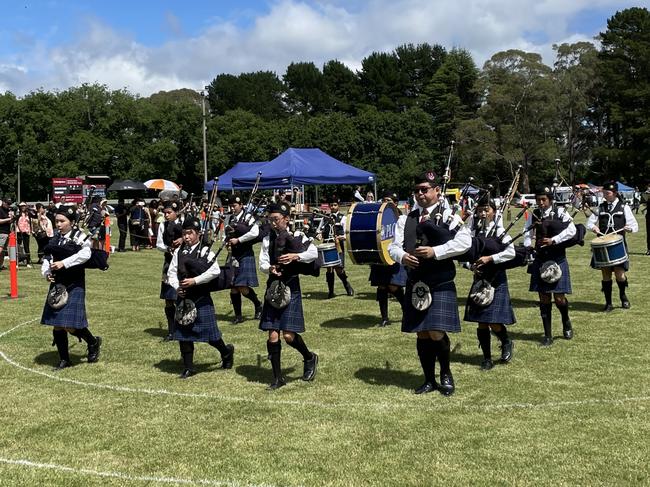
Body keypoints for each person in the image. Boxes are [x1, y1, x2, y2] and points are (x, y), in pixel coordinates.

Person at [388, 171, 472, 396]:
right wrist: (402, 257)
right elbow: (393, 246)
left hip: (440, 280)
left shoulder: (448, 216)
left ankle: (445, 373)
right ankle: (428, 379)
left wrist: (436, 251)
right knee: (422, 333)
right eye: (417, 190)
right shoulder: (406, 218)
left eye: (425, 189)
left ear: (436, 191)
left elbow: (465, 242)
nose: (420, 194)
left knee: (435, 331)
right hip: (415, 281)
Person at [258, 202, 319, 390]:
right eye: (271, 220)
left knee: (289, 336)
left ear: (286, 219)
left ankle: (309, 358)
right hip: (273, 285)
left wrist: (295, 256)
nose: (273, 223)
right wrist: (270, 268)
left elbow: (313, 252)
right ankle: (278, 378)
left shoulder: (297, 235)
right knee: (273, 335)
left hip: (291, 286)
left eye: (276, 220)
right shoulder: (268, 239)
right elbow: (262, 263)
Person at [167, 216, 234, 379]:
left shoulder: (205, 250)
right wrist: (177, 287)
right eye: (184, 234)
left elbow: (215, 271)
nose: (187, 237)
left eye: (190, 233)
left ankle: (226, 352)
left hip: (200, 296)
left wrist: (195, 281)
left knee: (211, 334)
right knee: (183, 333)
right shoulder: (178, 251)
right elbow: (171, 273)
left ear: (198, 233)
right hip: (184, 296)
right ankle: (189, 367)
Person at [40, 205, 102, 370]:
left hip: (74, 283)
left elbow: (85, 254)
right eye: (57, 221)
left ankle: (93, 342)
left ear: (72, 222)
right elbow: (47, 257)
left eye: (62, 221)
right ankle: (65, 360)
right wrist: (47, 273)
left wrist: (64, 263)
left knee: (70, 325)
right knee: (58, 325)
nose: (58, 224)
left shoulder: (80, 236)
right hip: (57, 283)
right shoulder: (54, 238)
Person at [462, 195, 516, 370]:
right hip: (479, 278)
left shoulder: (500, 230)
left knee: (493, 321)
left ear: (494, 212)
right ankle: (486, 358)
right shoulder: (473, 231)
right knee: (482, 321)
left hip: (496, 278)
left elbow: (511, 252)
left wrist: (490, 258)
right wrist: (471, 266)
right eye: (480, 210)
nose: (483, 213)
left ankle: (506, 341)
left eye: (487, 210)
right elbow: (463, 253)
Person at [523, 186, 576, 346]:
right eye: (538, 200)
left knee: (559, 298)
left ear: (550, 200)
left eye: (543, 200)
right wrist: (528, 244)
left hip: (557, 257)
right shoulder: (534, 214)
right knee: (543, 297)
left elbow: (572, 230)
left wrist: (554, 240)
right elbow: (527, 231)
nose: (540, 203)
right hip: (540, 258)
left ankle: (566, 321)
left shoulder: (560, 212)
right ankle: (548, 335)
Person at [586, 181, 639, 311]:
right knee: (606, 274)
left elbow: (635, 226)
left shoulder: (624, 207)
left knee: (620, 275)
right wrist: (593, 227)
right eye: (604, 193)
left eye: (607, 193)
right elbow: (589, 223)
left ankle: (623, 296)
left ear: (614, 193)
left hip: (617, 244)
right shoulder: (600, 207)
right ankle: (608, 303)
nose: (605, 195)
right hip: (603, 244)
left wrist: (629, 229)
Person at [368, 191, 406, 327]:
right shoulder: (377, 217)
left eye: (388, 200)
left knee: (394, 286)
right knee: (382, 286)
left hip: (395, 255)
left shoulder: (402, 219)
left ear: (395, 203)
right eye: (383, 200)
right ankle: (384, 317)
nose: (385, 203)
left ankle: (406, 310)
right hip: (380, 255)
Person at [225, 195, 263, 323]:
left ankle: (258, 304)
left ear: (241, 205)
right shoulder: (230, 218)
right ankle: (238, 316)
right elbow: (228, 233)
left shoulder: (248, 217)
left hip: (245, 253)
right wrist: (228, 242)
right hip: (234, 254)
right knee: (233, 286)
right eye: (231, 206)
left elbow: (254, 233)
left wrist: (239, 240)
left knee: (242, 286)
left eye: (234, 206)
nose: (232, 208)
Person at [156, 201, 183, 341]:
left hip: (184, 263)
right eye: (165, 213)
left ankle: (183, 328)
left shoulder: (185, 222)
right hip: (168, 262)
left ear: (176, 212)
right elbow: (159, 244)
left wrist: (182, 239)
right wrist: (168, 248)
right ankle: (171, 331)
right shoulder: (162, 225)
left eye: (169, 212)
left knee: (182, 297)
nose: (166, 215)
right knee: (168, 299)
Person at [316, 198, 354, 298]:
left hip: (337, 246)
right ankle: (331, 291)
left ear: (338, 206)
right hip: (327, 245)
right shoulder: (325, 218)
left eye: (335, 205)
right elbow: (319, 230)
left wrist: (341, 237)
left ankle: (347, 285)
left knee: (339, 269)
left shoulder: (343, 218)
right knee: (329, 268)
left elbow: (347, 233)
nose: (333, 207)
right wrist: (319, 235)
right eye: (331, 205)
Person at [16, 202, 34, 267]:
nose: (23, 207)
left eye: (24, 206)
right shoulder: (18, 213)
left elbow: (35, 216)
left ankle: (28, 262)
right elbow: (16, 222)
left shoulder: (28, 213)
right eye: (21, 206)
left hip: (26, 232)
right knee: (18, 247)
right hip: (19, 232)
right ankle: (17, 262)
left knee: (27, 247)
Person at [0, 198, 14, 269]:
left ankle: (1, 265)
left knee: (3, 251)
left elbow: (8, 222)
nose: (9, 205)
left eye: (10, 204)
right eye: (8, 203)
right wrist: (8, 219)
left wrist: (12, 218)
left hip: (7, 232)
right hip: (1, 232)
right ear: (3, 202)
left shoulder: (7, 210)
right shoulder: (0, 210)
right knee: (0, 249)